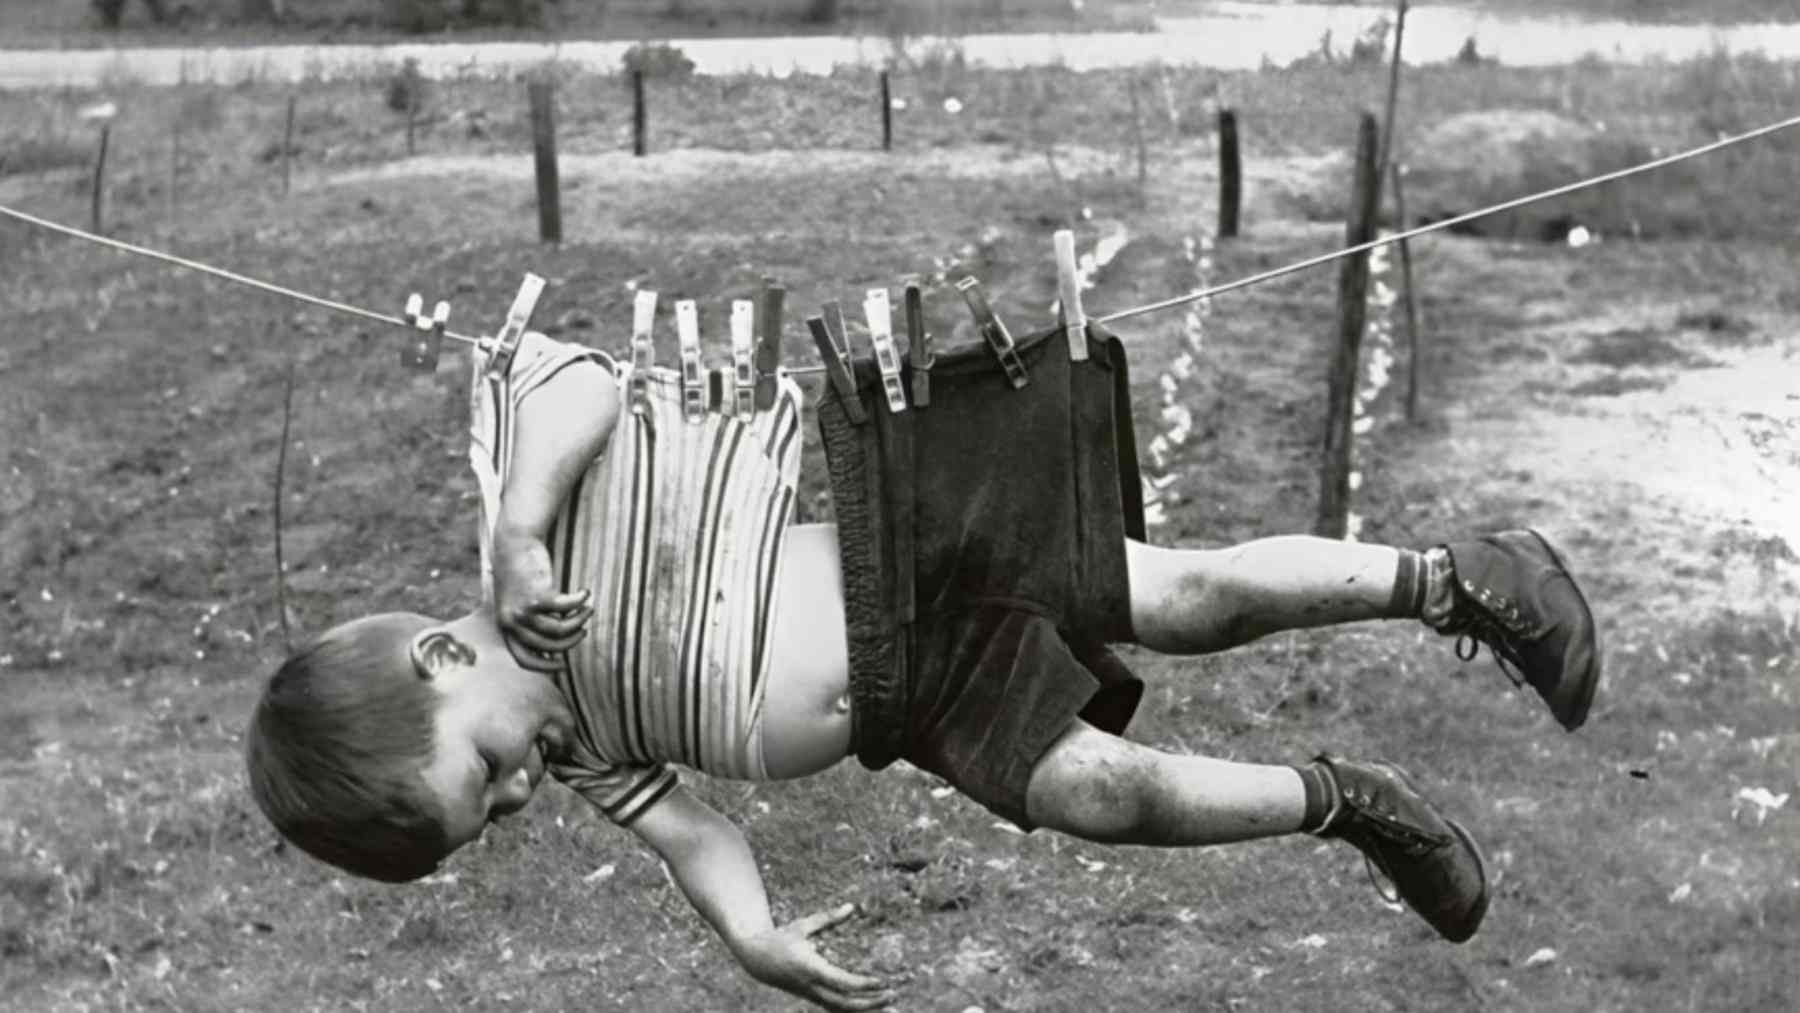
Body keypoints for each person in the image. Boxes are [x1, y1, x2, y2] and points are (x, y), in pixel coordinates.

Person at [245, 316, 1601, 1013]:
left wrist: (522, 524)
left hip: (909, 536)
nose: (517, 795)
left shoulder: (527, 540)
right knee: (1101, 795)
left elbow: (576, 375)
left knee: (1190, 594)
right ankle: (1351, 802)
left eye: (481, 769)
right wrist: (750, 930)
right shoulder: (585, 746)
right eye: (490, 817)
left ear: (440, 654)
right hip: (917, 695)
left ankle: (1463, 577)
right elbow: (694, 831)